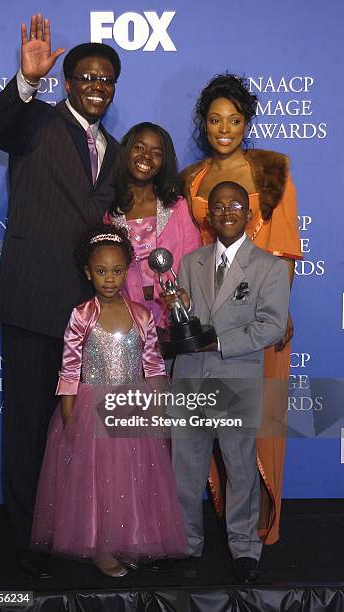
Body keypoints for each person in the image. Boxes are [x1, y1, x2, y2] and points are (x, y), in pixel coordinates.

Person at [0, 14, 121, 576]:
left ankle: (71, 530)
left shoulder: (112, 148)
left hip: (86, 314)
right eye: (85, 77)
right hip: (34, 300)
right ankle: (28, 542)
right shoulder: (33, 120)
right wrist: (24, 78)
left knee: (77, 431)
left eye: (105, 80)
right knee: (28, 427)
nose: (95, 87)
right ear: (67, 83)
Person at [181, 73, 302, 545]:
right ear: (204, 124)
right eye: (214, 120)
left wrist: (281, 310)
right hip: (208, 318)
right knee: (207, 428)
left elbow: (287, 247)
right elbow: (190, 248)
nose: (224, 128)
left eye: (234, 119)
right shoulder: (193, 177)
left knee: (257, 427)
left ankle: (256, 530)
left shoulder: (274, 169)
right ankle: (213, 521)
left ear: (247, 122)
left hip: (259, 318)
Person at [30, 224, 187, 577]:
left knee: (132, 481)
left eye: (117, 271)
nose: (110, 279)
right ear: (88, 272)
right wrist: (70, 417)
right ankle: (101, 546)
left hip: (133, 407)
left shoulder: (143, 315)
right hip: (91, 410)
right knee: (97, 483)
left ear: (128, 270)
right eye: (101, 271)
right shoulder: (82, 315)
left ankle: (126, 540)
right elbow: (70, 369)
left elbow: (154, 366)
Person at [164, 181, 290, 582]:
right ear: (208, 215)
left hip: (235, 378)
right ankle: (185, 542)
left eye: (234, 205)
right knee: (185, 467)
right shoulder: (190, 262)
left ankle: (244, 548)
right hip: (189, 377)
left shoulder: (268, 266)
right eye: (217, 207)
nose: (226, 212)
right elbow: (183, 324)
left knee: (239, 468)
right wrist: (178, 309)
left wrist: (218, 342)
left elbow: (271, 326)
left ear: (248, 213)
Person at [106, 122, 200, 332]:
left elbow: (194, 265)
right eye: (139, 148)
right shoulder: (109, 213)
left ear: (163, 162)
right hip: (125, 326)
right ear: (126, 152)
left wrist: (183, 308)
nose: (146, 156)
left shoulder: (178, 208)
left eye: (156, 152)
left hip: (172, 325)